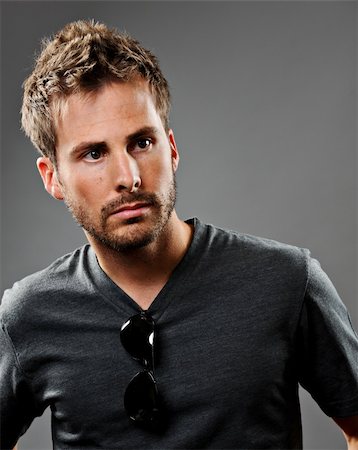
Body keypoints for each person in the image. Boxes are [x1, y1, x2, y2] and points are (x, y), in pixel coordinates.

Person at [1, 19, 357, 450]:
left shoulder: (287, 280)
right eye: (94, 153)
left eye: (141, 143)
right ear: (52, 177)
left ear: (170, 148)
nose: (128, 176)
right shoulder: (27, 314)